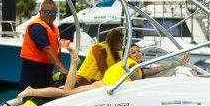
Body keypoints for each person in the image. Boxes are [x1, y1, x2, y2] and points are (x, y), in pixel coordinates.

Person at [18, 41, 190, 100]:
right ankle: (33, 90)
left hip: (101, 86)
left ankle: (73, 64)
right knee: (65, 93)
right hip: (101, 88)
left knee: (66, 91)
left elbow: (156, 69)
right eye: (134, 52)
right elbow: (142, 83)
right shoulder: (130, 65)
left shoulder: (133, 67)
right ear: (128, 55)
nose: (138, 54)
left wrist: (175, 64)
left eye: (139, 51)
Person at [18, 0, 69, 90]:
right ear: (40, 12)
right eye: (47, 12)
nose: (49, 16)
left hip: (46, 70)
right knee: (30, 95)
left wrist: (60, 66)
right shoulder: (37, 27)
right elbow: (47, 49)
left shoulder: (53, 28)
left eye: (52, 13)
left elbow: (56, 49)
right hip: (33, 71)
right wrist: (61, 67)